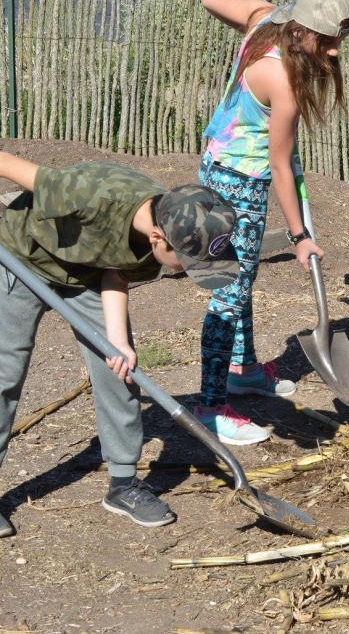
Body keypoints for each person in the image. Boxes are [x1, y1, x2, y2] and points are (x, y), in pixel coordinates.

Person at [0, 154, 241, 536]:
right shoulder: (92, 195)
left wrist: (116, 342)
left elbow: (116, 268)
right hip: (21, 258)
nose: (189, 271)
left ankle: (123, 484)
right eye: (189, 262)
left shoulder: (167, 220)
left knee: (120, 369)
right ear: (160, 239)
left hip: (88, 274)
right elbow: (12, 166)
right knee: (4, 374)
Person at [194, 0, 349, 446]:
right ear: (301, 31)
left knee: (242, 277)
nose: (333, 52)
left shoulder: (266, 20)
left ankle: (243, 370)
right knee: (229, 288)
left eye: (339, 41)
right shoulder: (282, 78)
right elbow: (281, 166)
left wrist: (266, 13)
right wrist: (299, 235)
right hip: (237, 183)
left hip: (224, 164)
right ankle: (209, 406)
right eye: (325, 41)